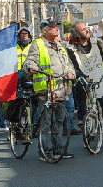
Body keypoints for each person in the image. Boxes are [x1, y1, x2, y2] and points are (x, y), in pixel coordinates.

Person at [23, 18, 76, 160]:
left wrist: (72, 72)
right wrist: (31, 67)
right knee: (46, 124)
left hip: (61, 90)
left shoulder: (60, 46)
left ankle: (58, 150)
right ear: (45, 30)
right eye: (53, 27)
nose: (56, 28)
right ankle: (45, 151)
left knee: (59, 122)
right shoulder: (37, 45)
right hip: (46, 91)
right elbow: (29, 61)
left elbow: (69, 64)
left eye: (57, 26)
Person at [67, 22, 103, 148]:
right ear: (76, 33)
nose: (86, 31)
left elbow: (102, 58)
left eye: (86, 29)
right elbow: (72, 66)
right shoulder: (71, 49)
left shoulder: (95, 43)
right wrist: (82, 76)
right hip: (85, 82)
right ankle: (89, 133)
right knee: (87, 108)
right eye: (82, 30)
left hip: (100, 79)